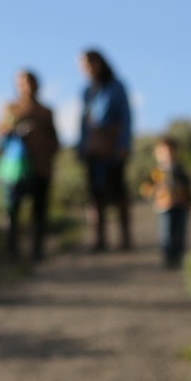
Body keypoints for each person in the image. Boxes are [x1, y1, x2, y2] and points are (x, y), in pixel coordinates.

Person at [0, 69, 60, 262]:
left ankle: (37, 251)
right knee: (12, 210)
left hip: (40, 168)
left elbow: (55, 140)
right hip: (15, 170)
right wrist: (14, 131)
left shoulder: (45, 112)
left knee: (39, 212)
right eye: (22, 82)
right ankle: (12, 251)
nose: (27, 86)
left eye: (30, 81)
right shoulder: (10, 109)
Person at [77, 49, 133, 251]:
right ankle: (99, 239)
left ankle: (125, 238)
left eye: (88, 64)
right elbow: (83, 123)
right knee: (95, 194)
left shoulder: (116, 87)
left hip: (112, 148)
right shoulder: (87, 91)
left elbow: (126, 118)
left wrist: (123, 145)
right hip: (93, 149)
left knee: (118, 193)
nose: (85, 69)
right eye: (82, 66)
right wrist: (81, 147)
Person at [141, 136, 191, 268]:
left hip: (181, 205)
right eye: (163, 152)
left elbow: (189, 187)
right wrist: (155, 191)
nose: (167, 155)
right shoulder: (156, 172)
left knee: (180, 232)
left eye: (170, 151)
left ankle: (179, 256)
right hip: (164, 207)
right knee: (166, 233)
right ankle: (168, 257)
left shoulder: (180, 170)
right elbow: (145, 189)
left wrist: (190, 202)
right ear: (156, 154)